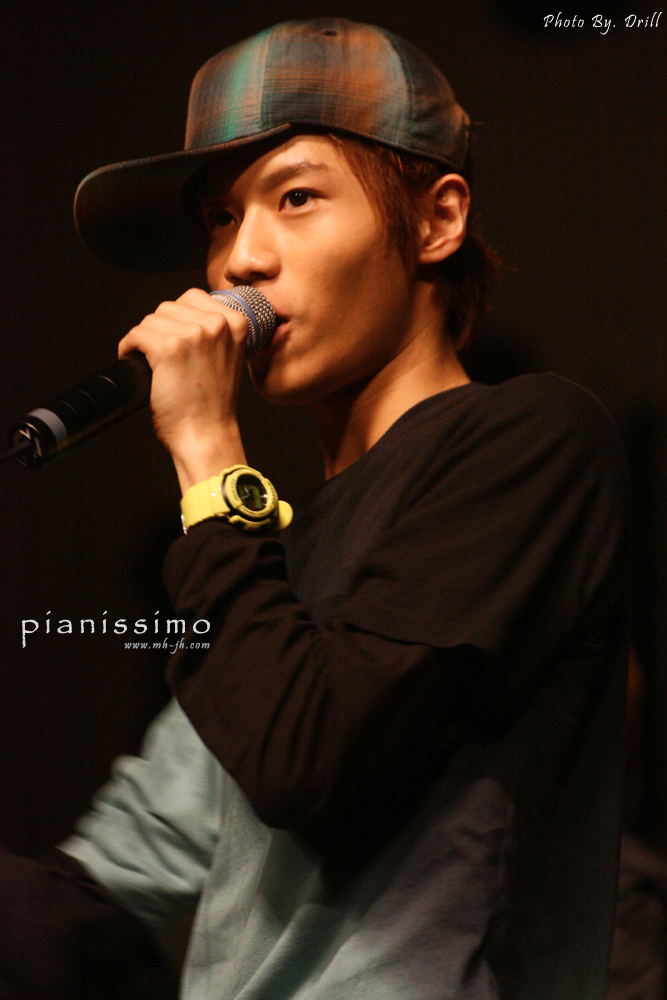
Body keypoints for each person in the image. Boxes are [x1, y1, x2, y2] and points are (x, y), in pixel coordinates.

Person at [0, 17, 629, 1000]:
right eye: (220, 217)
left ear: (436, 220)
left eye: (295, 197)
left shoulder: (532, 440)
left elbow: (306, 763)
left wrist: (205, 449)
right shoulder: (267, 558)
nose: (239, 260)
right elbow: (116, 884)